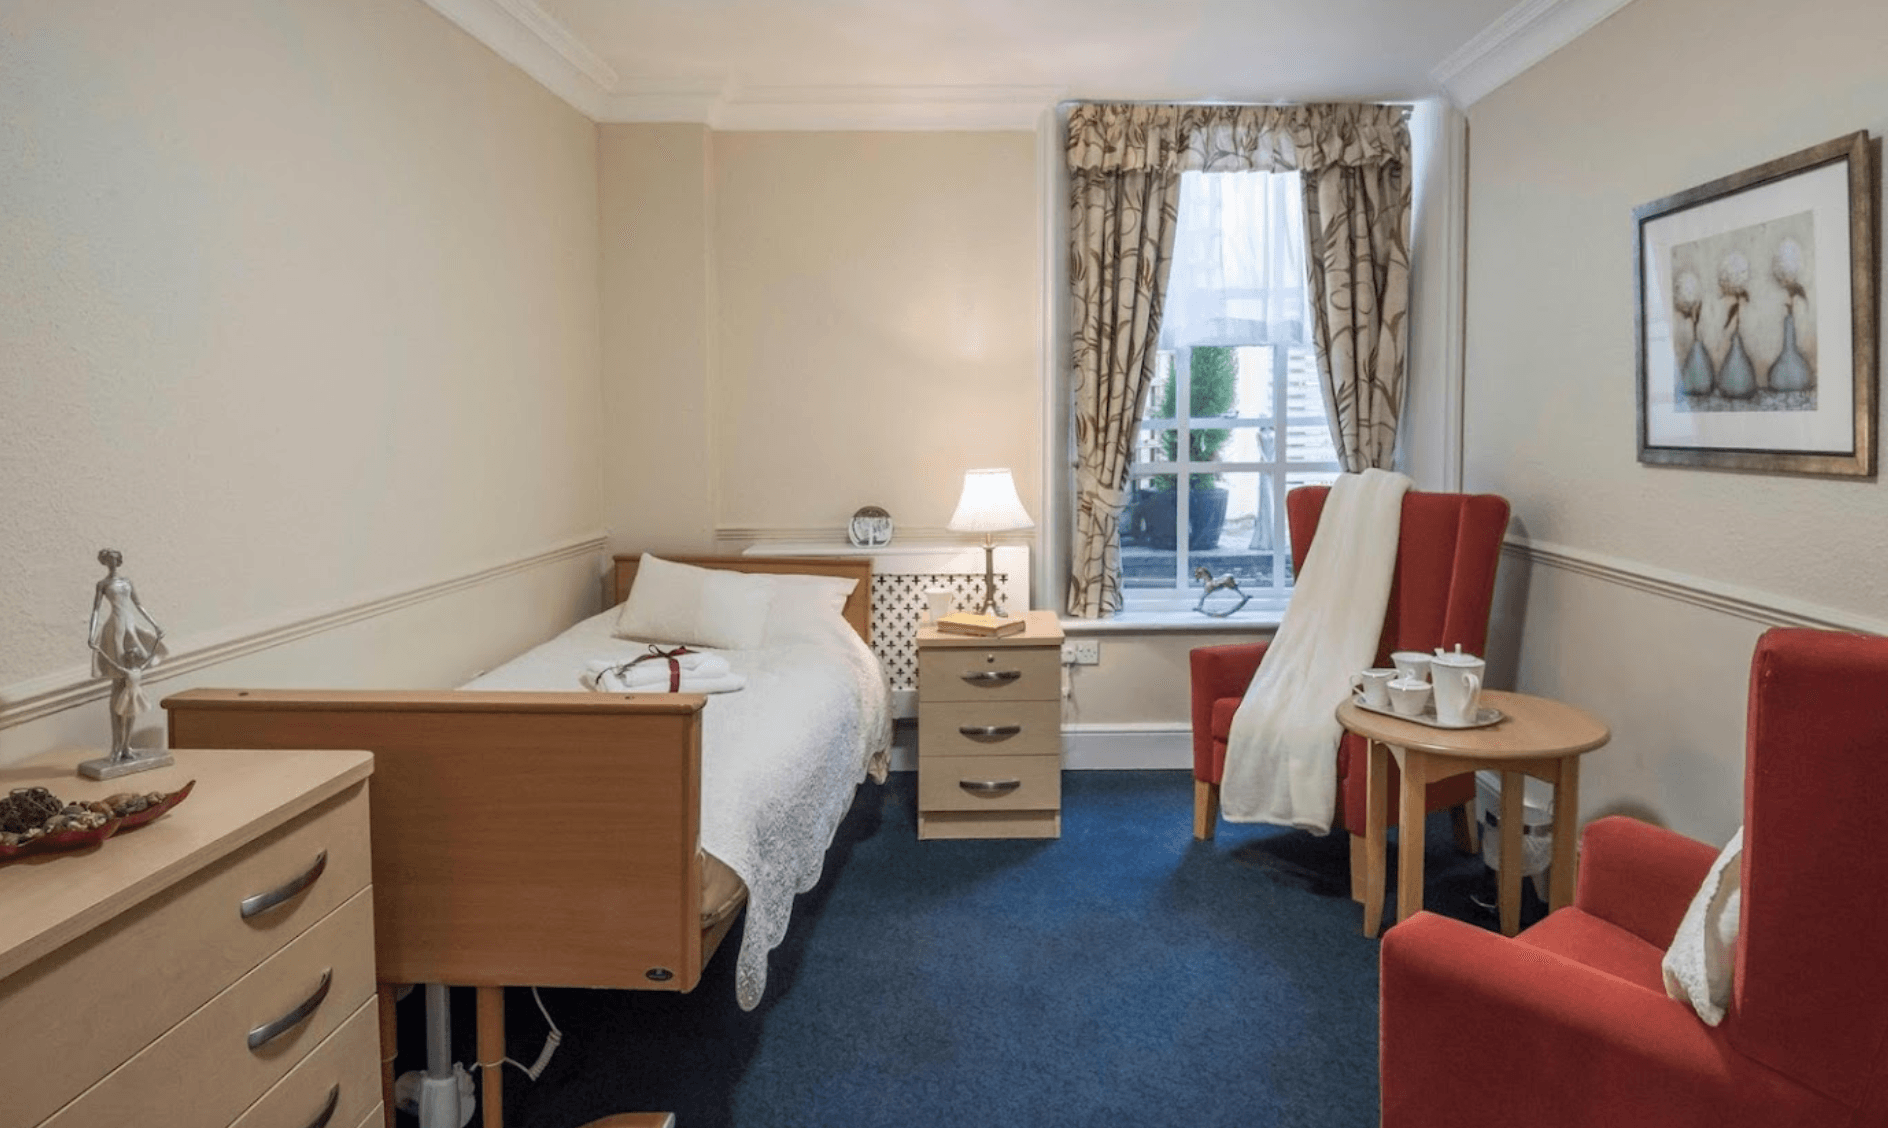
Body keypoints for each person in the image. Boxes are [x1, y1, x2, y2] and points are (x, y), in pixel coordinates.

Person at [88, 549, 168, 760]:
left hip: (129, 626)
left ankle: (126, 746)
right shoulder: (103, 585)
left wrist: (155, 624)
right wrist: (91, 634)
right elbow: (95, 610)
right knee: (118, 686)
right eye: (108, 559)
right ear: (104, 562)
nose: (112, 562)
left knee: (133, 687)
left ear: (119, 560)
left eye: (114, 558)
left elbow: (139, 605)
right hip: (114, 629)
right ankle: (116, 745)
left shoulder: (127, 582)